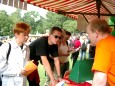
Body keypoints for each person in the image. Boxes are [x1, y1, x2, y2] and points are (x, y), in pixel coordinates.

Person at [86, 18, 115, 86]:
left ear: (96, 33)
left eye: (89, 34)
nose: (88, 37)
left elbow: (100, 79)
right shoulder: (112, 41)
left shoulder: (103, 44)